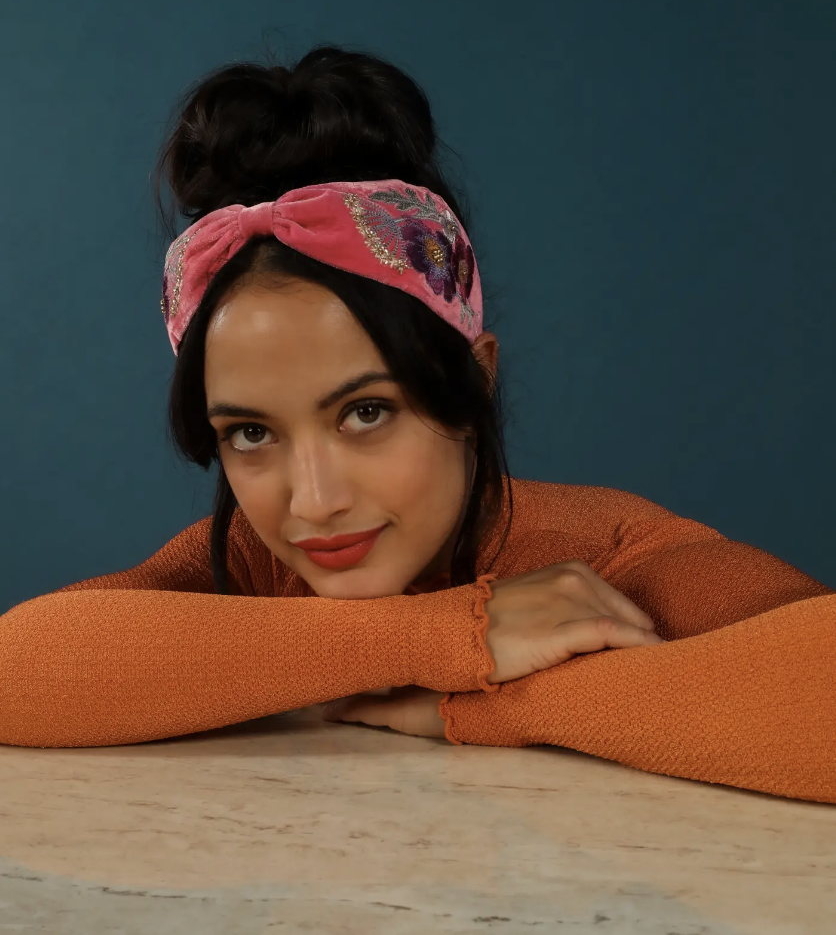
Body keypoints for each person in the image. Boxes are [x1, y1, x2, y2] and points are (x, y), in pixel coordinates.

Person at [1, 47, 833, 804]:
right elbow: (18, 671)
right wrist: (447, 636)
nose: (313, 502)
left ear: (475, 384)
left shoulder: (617, 561)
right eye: (252, 434)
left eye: (365, 413)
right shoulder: (251, 564)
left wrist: (485, 704)